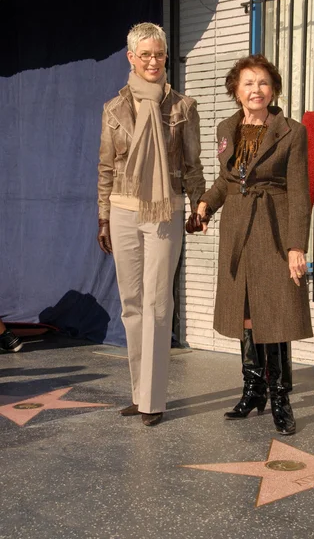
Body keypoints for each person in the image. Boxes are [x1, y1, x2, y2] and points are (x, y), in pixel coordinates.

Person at [187, 54, 312, 435]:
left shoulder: (291, 130)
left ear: (272, 89)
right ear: (235, 90)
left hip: (273, 228)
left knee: (274, 314)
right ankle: (253, 388)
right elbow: (228, 180)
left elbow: (298, 190)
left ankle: (279, 396)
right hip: (238, 229)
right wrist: (206, 204)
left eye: (262, 83)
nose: (255, 89)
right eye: (247, 83)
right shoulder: (227, 127)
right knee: (245, 313)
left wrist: (296, 245)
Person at [97, 22, 205, 426]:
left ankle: (154, 400)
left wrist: (200, 206)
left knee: (159, 305)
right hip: (123, 211)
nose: (153, 61)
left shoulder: (182, 107)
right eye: (145, 54)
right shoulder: (114, 108)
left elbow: (192, 164)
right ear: (131, 58)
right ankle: (139, 392)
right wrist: (103, 216)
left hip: (165, 210)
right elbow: (106, 167)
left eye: (158, 53)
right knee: (132, 306)